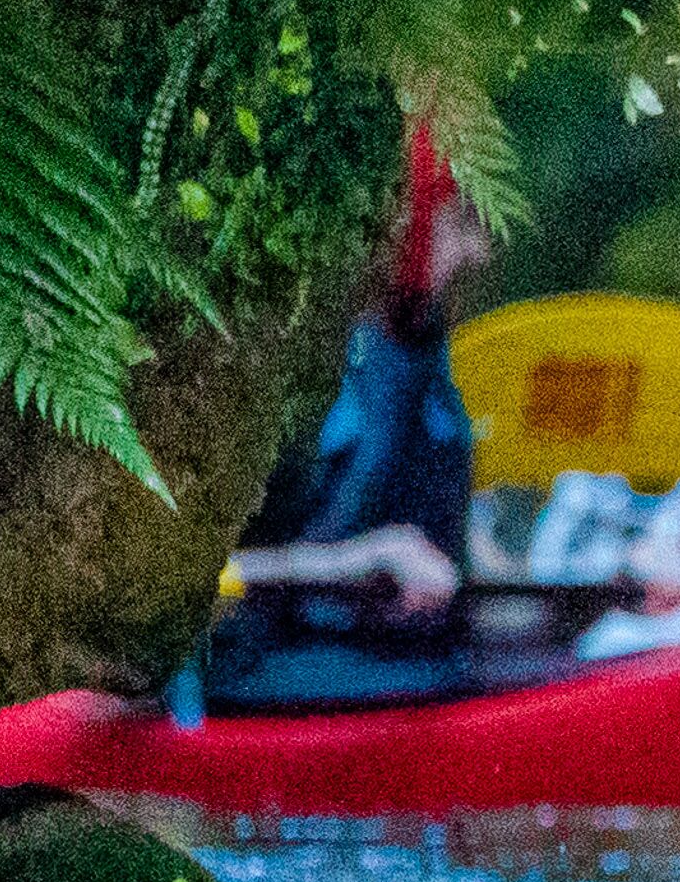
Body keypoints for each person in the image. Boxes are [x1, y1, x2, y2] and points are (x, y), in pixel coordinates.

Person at [204, 121, 494, 710]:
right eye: (458, 221)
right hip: (286, 681)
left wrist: (605, 578)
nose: (476, 252)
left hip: (423, 674)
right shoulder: (301, 363)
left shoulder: (431, 353)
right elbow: (205, 574)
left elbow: (453, 556)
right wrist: (361, 560)